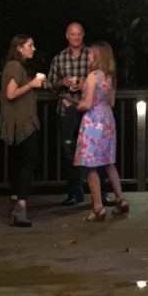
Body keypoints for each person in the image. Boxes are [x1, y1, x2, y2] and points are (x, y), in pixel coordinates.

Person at [74, 41, 128, 223]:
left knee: (90, 167)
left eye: (90, 53)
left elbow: (87, 104)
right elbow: (111, 102)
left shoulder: (92, 76)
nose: (88, 56)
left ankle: (98, 208)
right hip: (107, 120)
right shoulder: (110, 77)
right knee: (109, 163)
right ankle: (120, 199)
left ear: (97, 56)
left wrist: (72, 104)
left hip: (93, 123)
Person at [0, 34, 46, 227]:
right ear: (19, 47)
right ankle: (20, 208)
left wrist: (33, 84)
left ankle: (14, 202)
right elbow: (11, 94)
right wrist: (32, 84)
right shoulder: (15, 66)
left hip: (18, 122)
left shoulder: (14, 66)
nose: (33, 49)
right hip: (21, 123)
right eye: (30, 45)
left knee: (18, 162)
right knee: (30, 160)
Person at [49, 22, 89, 206]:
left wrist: (84, 83)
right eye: (72, 34)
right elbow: (50, 85)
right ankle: (74, 193)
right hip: (66, 110)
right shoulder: (59, 58)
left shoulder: (91, 55)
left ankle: (101, 193)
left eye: (79, 34)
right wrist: (62, 82)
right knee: (68, 153)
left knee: (93, 151)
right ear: (67, 36)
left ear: (83, 35)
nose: (76, 37)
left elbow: (102, 79)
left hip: (88, 110)